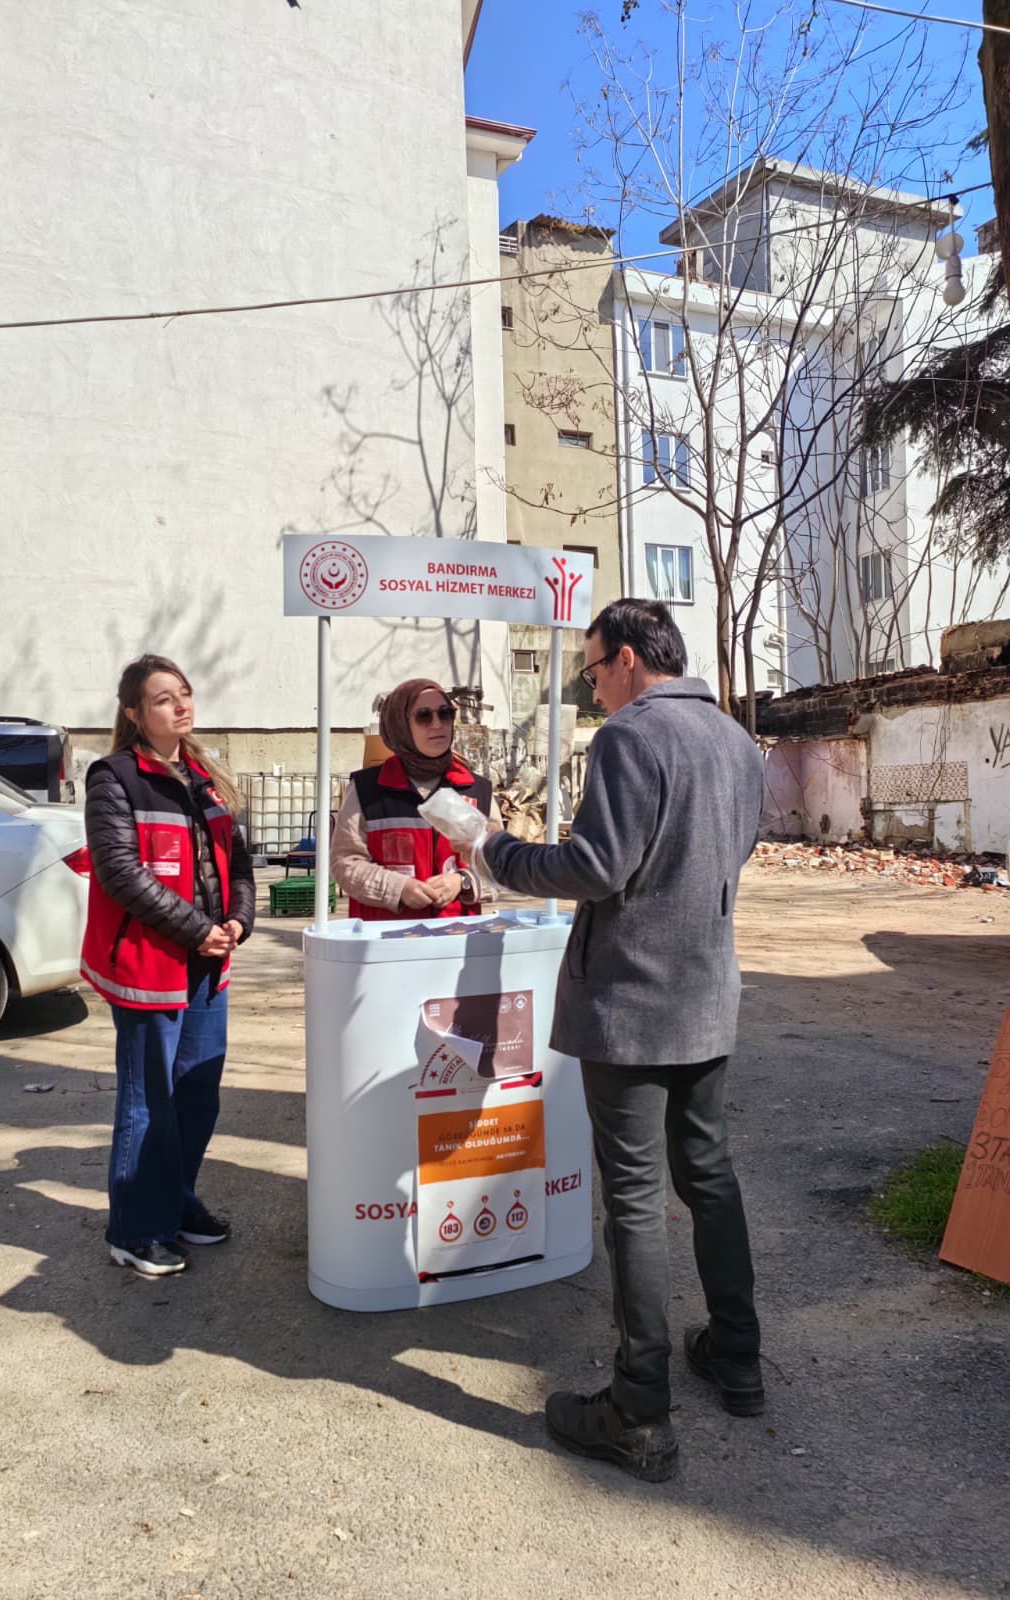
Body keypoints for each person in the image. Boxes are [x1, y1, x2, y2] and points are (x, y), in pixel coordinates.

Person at [434, 599, 764, 1483]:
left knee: (636, 1200)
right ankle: (737, 1355)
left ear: (625, 659)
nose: (591, 689)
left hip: (630, 1007)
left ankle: (639, 1409)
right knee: (709, 1174)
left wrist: (495, 850)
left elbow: (595, 867)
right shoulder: (736, 740)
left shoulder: (630, 737)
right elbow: (734, 851)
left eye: (590, 671)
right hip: (706, 997)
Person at [81, 654, 256, 1278]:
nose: (180, 705)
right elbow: (121, 873)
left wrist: (238, 921)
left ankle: (175, 1204)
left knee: (197, 1096)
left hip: (208, 962)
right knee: (148, 1099)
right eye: (163, 698)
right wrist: (199, 930)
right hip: (150, 964)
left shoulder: (207, 776)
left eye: (184, 693)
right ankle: (136, 1229)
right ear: (133, 713)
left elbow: (239, 862)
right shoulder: (114, 778)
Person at [331, 678, 501, 921]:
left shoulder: (477, 790)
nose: (437, 724)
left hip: (458, 935)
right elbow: (345, 863)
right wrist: (397, 888)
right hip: (386, 938)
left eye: (445, 714)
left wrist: (463, 881)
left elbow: (501, 863)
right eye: (424, 716)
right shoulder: (366, 789)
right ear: (400, 725)